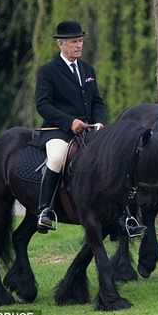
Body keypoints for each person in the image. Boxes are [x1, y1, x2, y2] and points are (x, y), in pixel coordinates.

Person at [35, 20, 106, 233]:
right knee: (57, 158)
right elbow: (43, 105)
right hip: (58, 131)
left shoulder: (87, 69)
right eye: (74, 42)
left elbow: (97, 101)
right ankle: (44, 210)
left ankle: (122, 215)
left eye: (81, 41)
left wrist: (100, 121)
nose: (79, 45)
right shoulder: (48, 71)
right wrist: (69, 122)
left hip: (88, 131)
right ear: (61, 45)